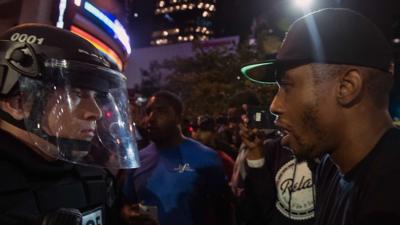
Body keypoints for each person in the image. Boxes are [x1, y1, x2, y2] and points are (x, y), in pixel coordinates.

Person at [241, 8, 399, 225]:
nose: (274, 106)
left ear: (346, 87)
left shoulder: (389, 196)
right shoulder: (330, 168)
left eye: (287, 86)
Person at [0, 24, 142, 225]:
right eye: (76, 94)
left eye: (96, 97)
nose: (96, 112)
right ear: (19, 103)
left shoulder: (94, 179)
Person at [121, 91, 234, 225]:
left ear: (178, 118)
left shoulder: (207, 157)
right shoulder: (137, 159)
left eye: (161, 111)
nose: (150, 119)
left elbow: (224, 212)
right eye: (148, 112)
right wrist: (126, 212)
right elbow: (126, 202)